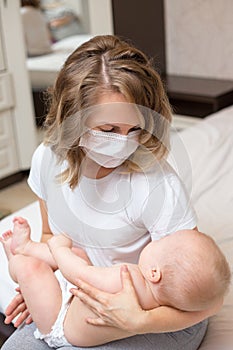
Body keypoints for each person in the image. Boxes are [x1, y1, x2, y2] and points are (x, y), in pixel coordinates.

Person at [1, 35, 224, 350]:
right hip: (83, 300)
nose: (125, 142)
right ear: (73, 118)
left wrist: (138, 320)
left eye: (135, 129)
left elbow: (203, 300)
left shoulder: (155, 183)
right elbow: (52, 236)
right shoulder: (48, 160)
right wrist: (40, 286)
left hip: (163, 317)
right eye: (108, 130)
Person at [1, 217, 231, 348]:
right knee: (79, 254)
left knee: (32, 269)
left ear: (154, 273)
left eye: (161, 242)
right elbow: (211, 301)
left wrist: (59, 247)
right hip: (75, 300)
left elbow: (77, 273)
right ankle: (26, 247)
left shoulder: (124, 281)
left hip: (59, 322)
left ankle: (17, 257)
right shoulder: (170, 300)